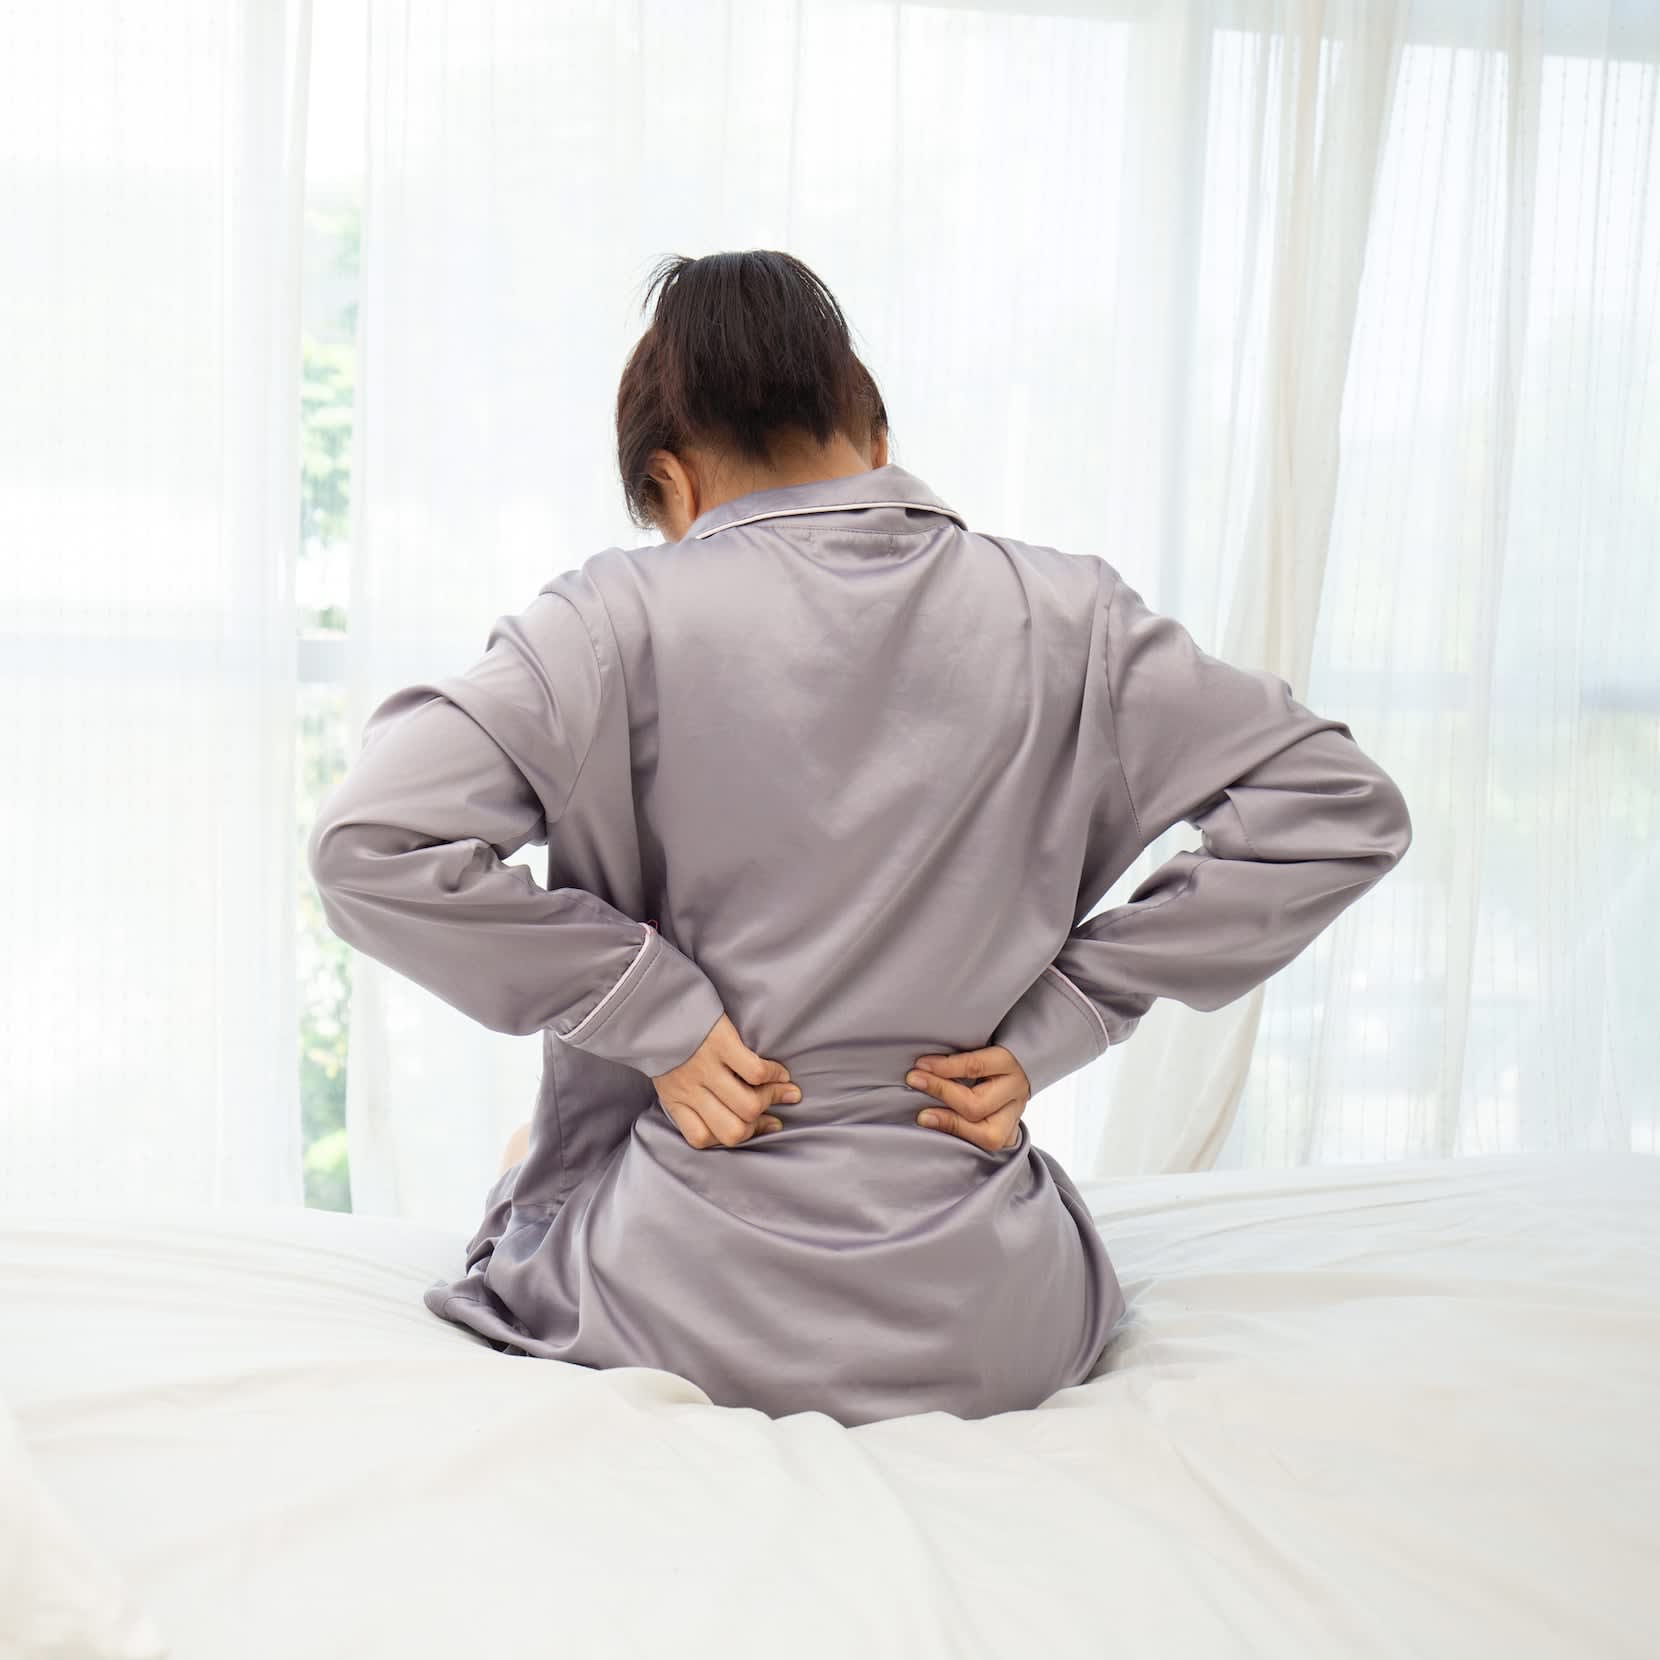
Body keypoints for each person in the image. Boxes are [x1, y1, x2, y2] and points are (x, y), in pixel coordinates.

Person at [307, 249, 1412, 1428]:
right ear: (875, 434)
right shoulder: (1072, 617)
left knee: (530, 1168)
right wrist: (1072, 1010)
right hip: (998, 1319)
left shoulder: (606, 622)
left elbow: (370, 842)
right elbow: (1339, 808)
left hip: (687, 1299)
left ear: (670, 482)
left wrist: (644, 1007)